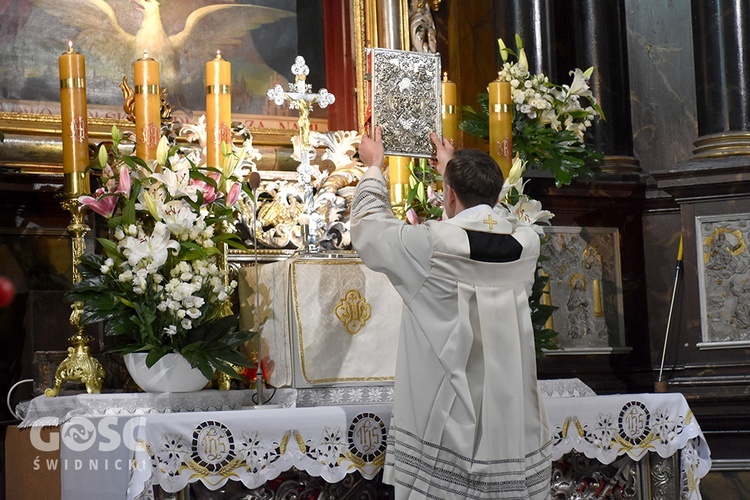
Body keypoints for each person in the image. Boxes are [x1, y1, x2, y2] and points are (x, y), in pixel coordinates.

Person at [350, 127, 552, 499]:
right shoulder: (526, 244)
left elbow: (368, 229)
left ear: (449, 194)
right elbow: (488, 216)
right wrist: (452, 171)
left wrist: (374, 167)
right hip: (507, 418)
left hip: (446, 420)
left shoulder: (433, 244)